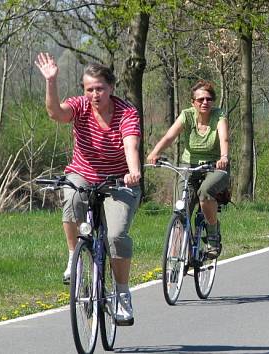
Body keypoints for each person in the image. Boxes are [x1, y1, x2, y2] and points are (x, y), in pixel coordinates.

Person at [34, 52, 141, 326]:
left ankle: (121, 293)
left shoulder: (126, 112)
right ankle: (74, 256)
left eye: (100, 89)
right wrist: (51, 81)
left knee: (116, 236)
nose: (95, 94)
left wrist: (133, 171)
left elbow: (130, 145)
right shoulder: (80, 106)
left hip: (119, 180)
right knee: (70, 194)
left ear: (111, 88)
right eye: (89, 89)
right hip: (84, 174)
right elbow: (55, 113)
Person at [147, 80, 230, 259]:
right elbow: (170, 136)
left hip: (215, 165)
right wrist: (155, 153)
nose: (205, 102)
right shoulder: (187, 115)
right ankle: (177, 257)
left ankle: (213, 235)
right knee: (181, 207)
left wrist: (224, 157)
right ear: (193, 102)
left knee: (205, 193)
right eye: (200, 100)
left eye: (208, 99)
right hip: (189, 165)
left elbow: (224, 138)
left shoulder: (219, 116)